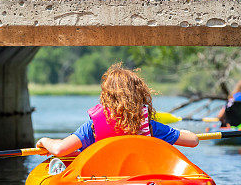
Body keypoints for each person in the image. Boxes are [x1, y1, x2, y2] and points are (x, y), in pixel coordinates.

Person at [36, 63, 200, 156]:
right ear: (138, 94)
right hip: (141, 180)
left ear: (107, 95)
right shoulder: (148, 127)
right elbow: (193, 140)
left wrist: (44, 141)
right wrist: (178, 131)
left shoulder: (93, 128)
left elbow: (59, 149)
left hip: (104, 180)